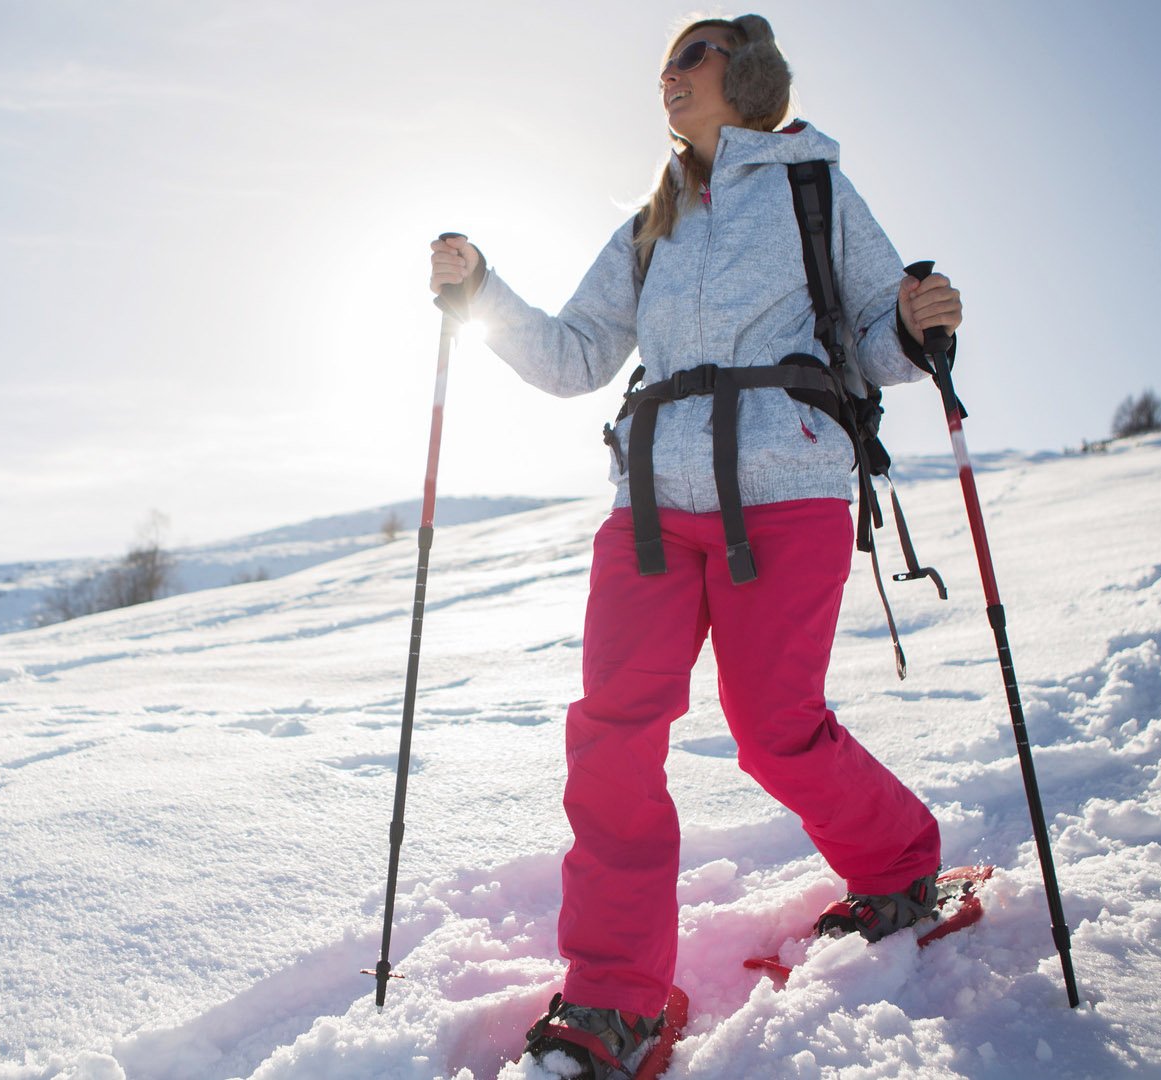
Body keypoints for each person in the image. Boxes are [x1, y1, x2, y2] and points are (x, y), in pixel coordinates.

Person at [427, 14, 964, 1078]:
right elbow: (578, 354)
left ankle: (899, 864)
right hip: (650, 508)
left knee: (773, 727)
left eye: (693, 57)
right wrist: (478, 290)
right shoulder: (651, 223)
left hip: (787, 489)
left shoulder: (813, 188)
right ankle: (613, 999)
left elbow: (871, 332)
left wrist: (916, 323)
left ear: (745, 71)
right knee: (613, 736)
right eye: (664, 63)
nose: (669, 77)